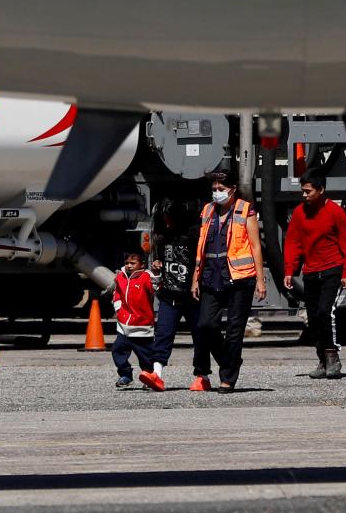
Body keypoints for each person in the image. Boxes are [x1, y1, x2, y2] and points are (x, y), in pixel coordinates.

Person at [190, 168, 266, 394]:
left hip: (240, 277)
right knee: (206, 324)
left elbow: (255, 246)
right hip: (211, 275)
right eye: (214, 188)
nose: (217, 192)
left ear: (232, 189)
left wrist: (260, 279)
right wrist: (195, 278)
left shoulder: (245, 210)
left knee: (235, 329)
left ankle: (227, 379)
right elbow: (201, 246)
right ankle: (229, 360)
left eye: (221, 188)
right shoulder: (208, 210)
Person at [282, 169, 346, 380]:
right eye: (303, 191)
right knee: (313, 318)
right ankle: (322, 359)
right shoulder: (299, 213)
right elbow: (293, 242)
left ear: (320, 190)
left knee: (325, 312)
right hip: (311, 272)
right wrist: (289, 270)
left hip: (332, 269)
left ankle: (332, 357)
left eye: (308, 191)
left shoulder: (335, 212)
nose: (304, 195)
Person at [151, 197, 213, 391]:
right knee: (163, 333)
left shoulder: (194, 235)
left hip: (192, 295)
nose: (167, 223)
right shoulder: (162, 236)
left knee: (200, 336)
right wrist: (157, 263)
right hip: (169, 294)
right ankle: (156, 373)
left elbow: (201, 262)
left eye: (170, 219)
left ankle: (202, 376)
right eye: (164, 219)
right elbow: (160, 257)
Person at [111, 250, 165, 391]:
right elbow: (117, 293)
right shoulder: (120, 276)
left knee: (146, 356)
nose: (129, 265)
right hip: (123, 325)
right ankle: (125, 375)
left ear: (142, 264)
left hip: (142, 326)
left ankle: (148, 376)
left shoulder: (146, 276)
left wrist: (157, 274)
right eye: (127, 263)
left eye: (133, 263)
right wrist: (118, 308)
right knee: (117, 350)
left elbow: (155, 287)